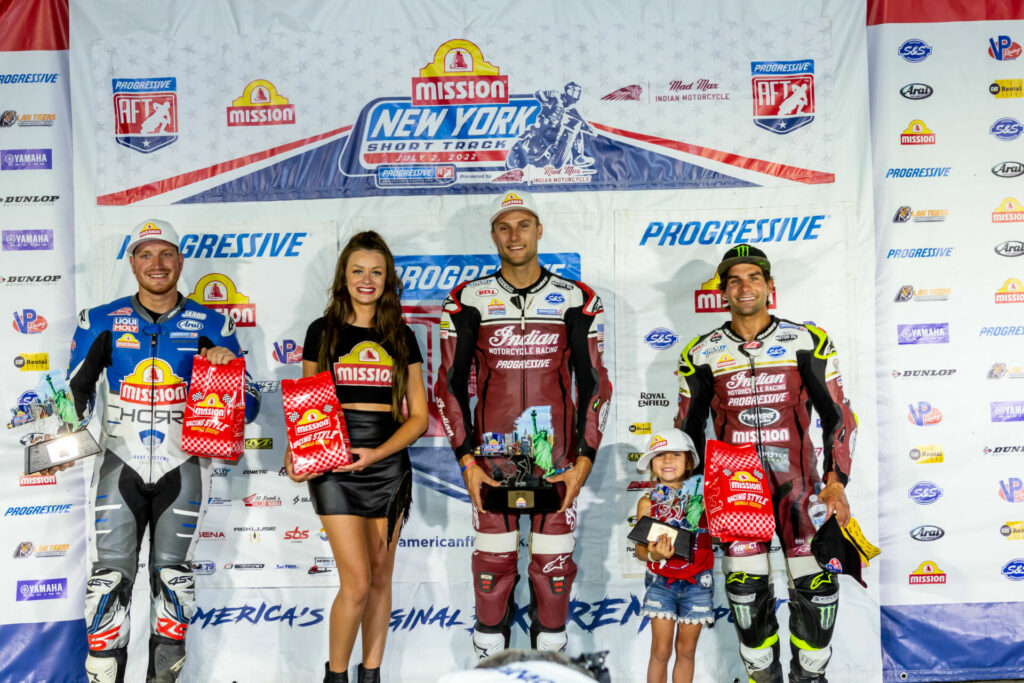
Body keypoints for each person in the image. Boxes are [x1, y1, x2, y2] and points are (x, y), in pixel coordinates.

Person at [66, 219, 260, 683]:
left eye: (166, 253)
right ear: (132, 263)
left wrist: (228, 367)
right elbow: (72, 397)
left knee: (173, 585)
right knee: (108, 585)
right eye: (146, 254)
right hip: (119, 463)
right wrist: (54, 420)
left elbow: (249, 407)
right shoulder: (101, 319)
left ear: (181, 261)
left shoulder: (213, 323)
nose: (157, 264)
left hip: (184, 467)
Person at [434, 190, 613, 657]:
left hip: (557, 463)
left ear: (539, 229)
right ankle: (489, 658)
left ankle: (550, 661)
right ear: (493, 233)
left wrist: (584, 460)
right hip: (490, 465)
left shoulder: (577, 298)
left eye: (524, 224)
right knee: (493, 568)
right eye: (504, 226)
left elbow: (594, 385)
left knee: (553, 573)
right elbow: (449, 386)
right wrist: (467, 461)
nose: (515, 235)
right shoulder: (467, 299)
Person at [675, 245, 857, 683]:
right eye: (734, 280)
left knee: (817, 591)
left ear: (769, 287)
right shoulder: (700, 352)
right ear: (722, 291)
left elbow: (838, 416)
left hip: (801, 488)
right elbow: (687, 431)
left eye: (753, 278)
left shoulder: (806, 340)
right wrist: (684, 497)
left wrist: (836, 482)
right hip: (737, 496)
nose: (744, 287)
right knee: (744, 592)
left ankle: (810, 678)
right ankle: (763, 677)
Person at [285, 231, 428, 683]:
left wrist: (377, 454)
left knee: (381, 579)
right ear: (342, 277)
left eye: (376, 272)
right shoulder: (320, 331)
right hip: (333, 464)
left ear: (388, 280)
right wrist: (298, 450)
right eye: (357, 271)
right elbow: (305, 404)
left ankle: (372, 674)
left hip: (385, 465)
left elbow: (419, 418)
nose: (366, 280)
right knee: (358, 583)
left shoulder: (402, 336)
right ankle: (336, 676)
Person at [633, 428, 714, 683]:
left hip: (698, 583)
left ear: (689, 460)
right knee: (660, 651)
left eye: (675, 455)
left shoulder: (706, 498)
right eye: (660, 456)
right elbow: (639, 551)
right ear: (651, 463)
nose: (667, 461)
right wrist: (655, 555)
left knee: (687, 651)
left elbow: (725, 529)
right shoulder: (648, 503)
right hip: (661, 585)